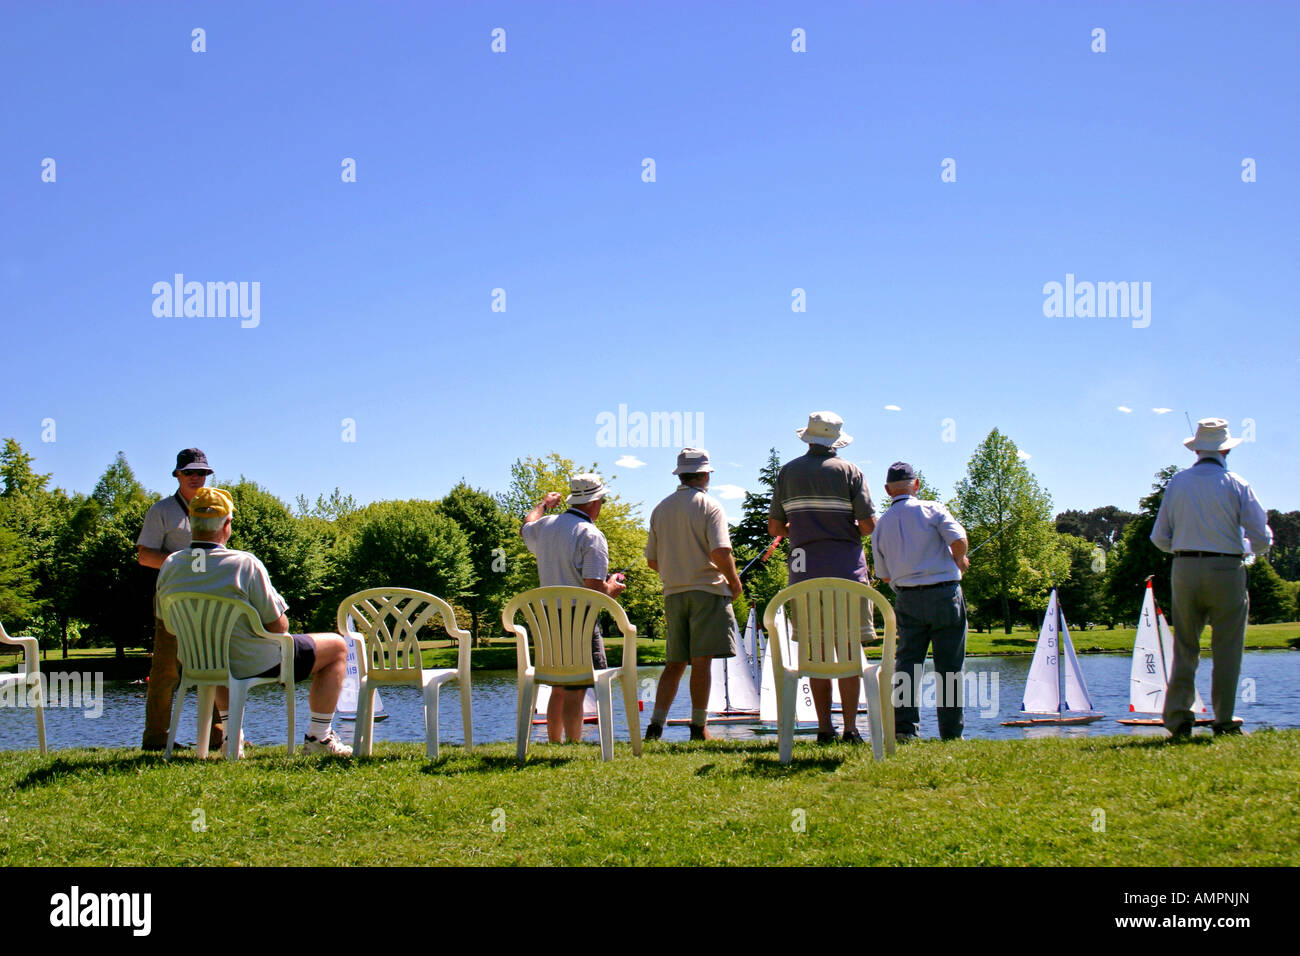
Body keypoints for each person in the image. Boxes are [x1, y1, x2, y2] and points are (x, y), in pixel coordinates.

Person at [155, 487, 352, 756]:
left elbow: (168, 623)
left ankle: (230, 737)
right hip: (253, 662)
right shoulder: (244, 564)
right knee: (338, 647)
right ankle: (319, 737)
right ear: (226, 525)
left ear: (191, 524)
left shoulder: (170, 564)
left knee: (221, 653)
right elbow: (278, 627)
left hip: (197, 661)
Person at [1150, 418, 1272, 738]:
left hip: (1184, 568)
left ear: (1197, 449)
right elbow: (1261, 536)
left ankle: (1179, 721)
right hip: (1227, 569)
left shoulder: (1177, 483)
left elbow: (1159, 537)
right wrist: (1244, 548)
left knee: (1185, 646)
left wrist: (1183, 549)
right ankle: (1224, 720)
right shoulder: (1237, 483)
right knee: (1227, 648)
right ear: (1226, 448)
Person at [767, 411, 877, 743]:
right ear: (835, 440)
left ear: (809, 437)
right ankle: (850, 727)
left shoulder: (788, 472)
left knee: (813, 653)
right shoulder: (850, 472)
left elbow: (775, 527)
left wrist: (801, 529)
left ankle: (823, 728)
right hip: (847, 573)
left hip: (804, 573)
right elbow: (869, 525)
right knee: (848, 650)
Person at [643, 448, 743, 742]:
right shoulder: (709, 505)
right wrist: (734, 583)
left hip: (673, 593)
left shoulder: (660, 508)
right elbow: (721, 551)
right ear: (703, 474)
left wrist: (675, 572)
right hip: (707, 591)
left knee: (673, 664)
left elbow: (651, 560)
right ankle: (699, 728)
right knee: (702, 662)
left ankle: (655, 726)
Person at [520, 473, 627, 743]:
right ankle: (574, 742)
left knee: (558, 683)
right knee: (577, 686)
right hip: (580, 619)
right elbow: (593, 588)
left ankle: (555, 741)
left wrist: (544, 504)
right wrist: (612, 588)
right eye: (601, 499)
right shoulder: (591, 535)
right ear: (594, 502)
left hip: (547, 620)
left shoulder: (545, 526)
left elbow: (526, 525)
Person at [870, 461, 970, 743]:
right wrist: (959, 560)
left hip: (908, 598)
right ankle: (951, 734)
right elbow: (958, 537)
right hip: (944, 594)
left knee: (907, 665)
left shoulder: (881, 526)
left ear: (888, 490)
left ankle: (904, 729)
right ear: (916, 485)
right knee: (949, 667)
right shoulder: (933, 509)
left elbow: (884, 575)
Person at [136, 448, 222, 751]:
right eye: (190, 472)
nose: (197, 478)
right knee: (165, 672)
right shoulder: (161, 510)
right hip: (173, 602)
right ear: (177, 475)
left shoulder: (218, 507)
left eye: (203, 473)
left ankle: (220, 737)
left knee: (217, 667)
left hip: (212, 601)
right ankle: (156, 740)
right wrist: (181, 562)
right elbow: (144, 556)